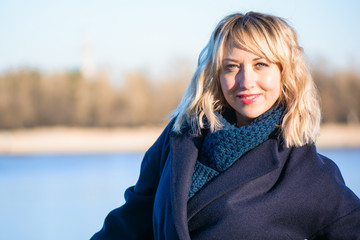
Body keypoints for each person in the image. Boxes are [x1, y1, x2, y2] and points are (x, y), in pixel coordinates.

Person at [91, 12, 360, 239]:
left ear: (285, 72)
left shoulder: (307, 171)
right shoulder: (180, 135)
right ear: (217, 74)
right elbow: (128, 224)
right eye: (232, 67)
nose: (245, 80)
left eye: (260, 64)